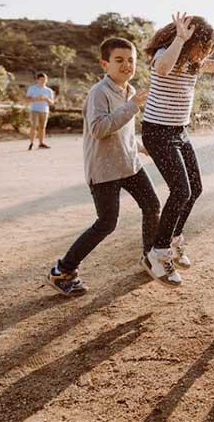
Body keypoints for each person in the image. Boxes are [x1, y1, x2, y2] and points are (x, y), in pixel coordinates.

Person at [46, 37, 162, 295]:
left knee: (152, 205)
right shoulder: (99, 93)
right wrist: (133, 108)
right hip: (105, 170)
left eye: (130, 60)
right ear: (104, 64)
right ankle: (62, 270)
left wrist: (142, 147)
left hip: (129, 164)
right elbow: (99, 129)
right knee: (106, 223)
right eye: (119, 60)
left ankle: (150, 257)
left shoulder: (130, 91)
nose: (126, 65)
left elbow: (124, 132)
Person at [141, 12, 214, 285]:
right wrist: (179, 37)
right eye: (203, 47)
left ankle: (174, 238)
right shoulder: (165, 54)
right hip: (158, 132)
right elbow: (163, 69)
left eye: (208, 49)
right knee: (180, 191)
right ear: (188, 40)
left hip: (180, 131)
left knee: (195, 189)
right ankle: (157, 253)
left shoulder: (193, 64)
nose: (204, 54)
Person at [25, 72, 55, 150]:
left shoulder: (49, 91)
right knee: (33, 126)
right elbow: (27, 100)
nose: (43, 81)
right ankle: (31, 143)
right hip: (34, 109)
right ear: (37, 80)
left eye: (45, 79)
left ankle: (41, 143)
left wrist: (46, 99)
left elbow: (52, 102)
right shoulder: (32, 88)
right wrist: (36, 99)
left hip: (44, 110)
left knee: (42, 127)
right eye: (41, 79)